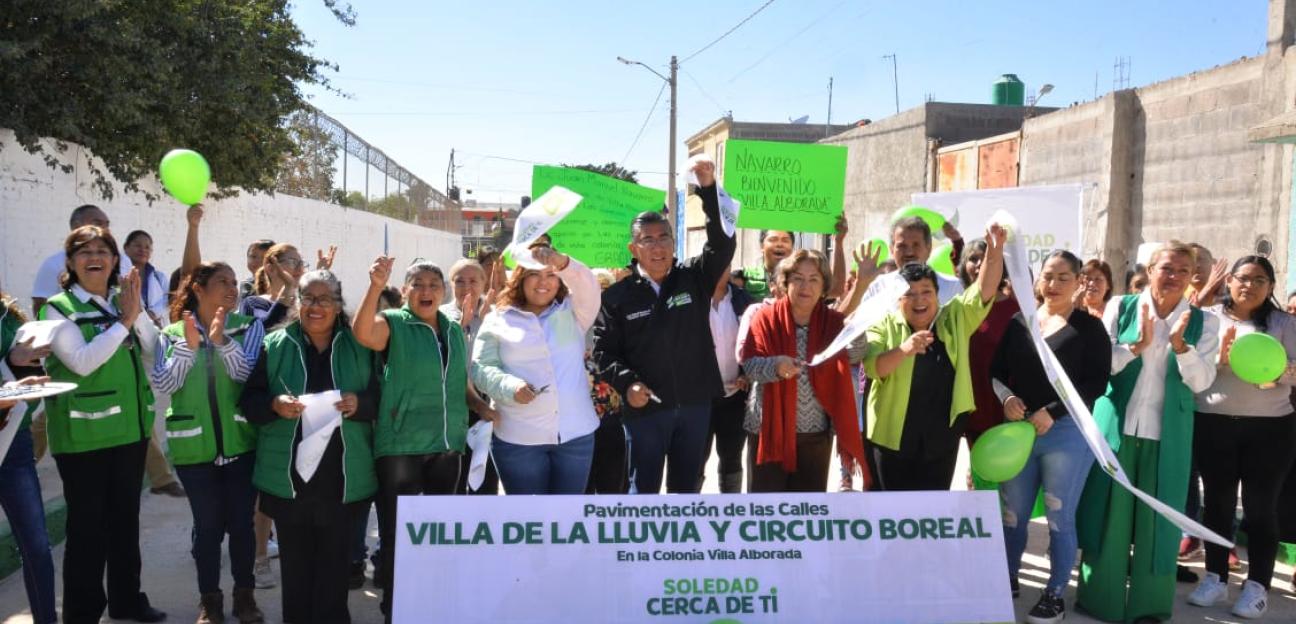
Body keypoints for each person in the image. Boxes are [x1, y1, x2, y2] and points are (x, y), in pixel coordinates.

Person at [1076, 241, 1220, 624]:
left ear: (1192, 279)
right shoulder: (1120, 306)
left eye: (1182, 271)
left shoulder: (1205, 322)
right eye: (1166, 268)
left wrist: (1182, 349)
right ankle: (1099, 599)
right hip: (1116, 427)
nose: (1173, 277)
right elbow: (1101, 363)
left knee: (1160, 521)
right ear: (1150, 268)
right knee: (1108, 515)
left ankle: (1149, 606)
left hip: (1167, 431)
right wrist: (1134, 347)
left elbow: (1203, 381)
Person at [37, 226, 166, 623]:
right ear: (71, 262)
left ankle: (128, 602)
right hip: (82, 440)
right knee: (87, 531)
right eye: (84, 251)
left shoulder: (121, 301)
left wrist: (136, 315)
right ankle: (82, 612)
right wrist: (124, 323)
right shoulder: (57, 308)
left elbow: (156, 350)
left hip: (129, 434)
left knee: (125, 524)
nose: (94, 256)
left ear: (114, 261)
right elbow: (82, 361)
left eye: (103, 250)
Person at [353, 257, 493, 617]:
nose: (427, 290)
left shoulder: (452, 329)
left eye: (434, 284)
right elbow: (363, 333)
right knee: (399, 536)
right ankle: (396, 608)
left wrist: (481, 406)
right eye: (418, 284)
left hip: (447, 446)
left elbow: (461, 383)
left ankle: (434, 606)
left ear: (442, 292)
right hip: (401, 447)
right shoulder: (394, 323)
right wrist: (373, 285)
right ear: (405, 292)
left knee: (439, 535)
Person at [240, 270, 379, 624]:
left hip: (342, 476)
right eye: (309, 299)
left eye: (325, 299)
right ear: (298, 303)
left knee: (334, 567)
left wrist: (358, 403)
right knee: (297, 569)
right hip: (290, 479)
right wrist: (274, 405)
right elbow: (250, 403)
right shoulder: (274, 345)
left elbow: (384, 397)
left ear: (338, 304)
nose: (316, 306)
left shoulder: (360, 344)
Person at [591, 158, 736, 494]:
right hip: (645, 411)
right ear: (634, 248)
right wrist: (627, 385)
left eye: (663, 238)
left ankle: (680, 549)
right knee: (643, 490)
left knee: (687, 490)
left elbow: (723, 244)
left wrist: (709, 189)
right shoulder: (616, 297)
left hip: (695, 405)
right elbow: (603, 351)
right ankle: (641, 548)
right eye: (647, 240)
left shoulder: (694, 279)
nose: (657, 246)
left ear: (674, 242)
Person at [990, 251, 1112, 623]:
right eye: (1048, 276)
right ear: (1037, 281)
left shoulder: (1090, 329)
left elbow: (1096, 383)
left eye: (1063, 277)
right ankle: (1007, 578)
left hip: (1067, 435)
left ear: (1078, 283)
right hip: (1020, 434)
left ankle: (1054, 593)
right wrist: (1007, 398)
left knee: (1060, 518)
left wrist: (1053, 412)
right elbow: (996, 371)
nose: (1054, 284)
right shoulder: (1018, 322)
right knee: (1014, 515)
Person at [150, 262, 266, 623]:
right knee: (208, 527)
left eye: (235, 282)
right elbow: (165, 385)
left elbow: (246, 374)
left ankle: (244, 598)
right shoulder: (169, 333)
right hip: (193, 449)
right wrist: (188, 347)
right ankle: (210, 602)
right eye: (222, 282)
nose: (233, 288)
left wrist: (221, 342)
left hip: (240, 445)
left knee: (242, 526)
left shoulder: (249, 326)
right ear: (198, 289)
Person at [1186, 256, 1296, 618]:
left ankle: (1256, 586)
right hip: (1213, 423)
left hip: (1271, 429)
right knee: (1216, 504)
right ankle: (1215, 578)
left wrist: (1276, 373)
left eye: (1260, 280)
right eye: (1243, 278)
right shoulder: (1208, 318)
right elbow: (1188, 364)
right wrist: (1220, 359)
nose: (1250, 285)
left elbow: (1294, 373)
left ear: (1271, 287)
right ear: (1229, 281)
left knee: (1260, 507)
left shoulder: (1283, 323)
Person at [863, 224, 1006, 491]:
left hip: (941, 437)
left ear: (937, 295)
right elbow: (874, 368)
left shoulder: (954, 317)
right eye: (910, 294)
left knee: (932, 512)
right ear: (897, 299)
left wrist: (995, 252)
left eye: (926, 292)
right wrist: (905, 349)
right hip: (891, 436)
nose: (920, 300)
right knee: (891, 514)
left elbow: (984, 290)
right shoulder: (883, 324)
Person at [470, 245, 600, 493]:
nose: (543, 282)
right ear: (520, 278)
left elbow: (589, 286)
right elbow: (481, 368)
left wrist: (562, 262)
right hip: (519, 439)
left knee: (567, 519)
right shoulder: (498, 318)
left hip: (576, 437)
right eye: (534, 274)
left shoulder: (572, 312)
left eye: (551, 275)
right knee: (529, 520)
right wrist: (510, 387)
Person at [741, 250, 871, 492]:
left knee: (808, 512)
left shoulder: (833, 321)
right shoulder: (764, 318)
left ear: (823, 287)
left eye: (814, 279)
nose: (805, 286)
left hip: (815, 434)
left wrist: (857, 328)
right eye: (798, 278)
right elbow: (749, 366)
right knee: (764, 510)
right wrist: (776, 366)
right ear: (785, 282)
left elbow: (854, 355)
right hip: (767, 431)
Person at [0, 284, 57, 624]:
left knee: (36, 546)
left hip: (14, 443)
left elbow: (32, 388)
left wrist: (19, 367)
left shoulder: (10, 318)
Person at [442, 258, 500, 495]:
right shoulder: (439, 316)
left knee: (485, 480)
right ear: (451, 284)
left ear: (484, 283)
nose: (467, 287)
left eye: (474, 280)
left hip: (490, 406)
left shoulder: (497, 315)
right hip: (452, 406)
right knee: (453, 480)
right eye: (460, 281)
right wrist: (461, 325)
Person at [959, 239, 1020, 447]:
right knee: (980, 468)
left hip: (1006, 400)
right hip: (971, 400)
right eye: (973, 258)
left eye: (985, 258)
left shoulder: (1014, 309)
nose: (979, 264)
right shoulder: (958, 306)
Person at [700, 269, 753, 493]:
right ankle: (688, 513)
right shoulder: (691, 300)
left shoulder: (744, 300)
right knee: (694, 460)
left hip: (735, 397)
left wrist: (747, 373)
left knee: (732, 459)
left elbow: (755, 343)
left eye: (726, 261)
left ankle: (731, 510)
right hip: (698, 400)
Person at [889, 216, 965, 306]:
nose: (909, 253)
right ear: (891, 250)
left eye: (916, 245)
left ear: (928, 248)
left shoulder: (953, 288)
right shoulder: (877, 290)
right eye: (902, 246)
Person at [239, 243, 307, 330]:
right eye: (292, 262)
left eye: (301, 263)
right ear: (271, 268)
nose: (299, 268)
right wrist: (287, 289)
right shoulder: (253, 303)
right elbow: (263, 330)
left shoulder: (303, 304)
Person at [1187, 243, 1227, 308]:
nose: (1197, 266)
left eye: (1200, 259)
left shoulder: (1233, 296)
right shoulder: (1182, 300)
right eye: (1191, 261)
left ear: (1214, 263)